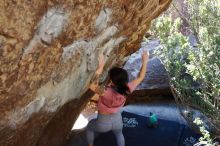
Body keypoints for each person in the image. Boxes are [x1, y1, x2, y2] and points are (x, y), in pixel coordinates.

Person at [86, 50, 149, 146]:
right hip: (117, 120)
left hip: (103, 123)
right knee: (119, 134)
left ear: (111, 81)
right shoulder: (127, 89)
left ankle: (90, 145)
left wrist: (100, 69)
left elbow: (92, 85)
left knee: (90, 126)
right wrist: (145, 61)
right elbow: (141, 77)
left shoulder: (105, 92)